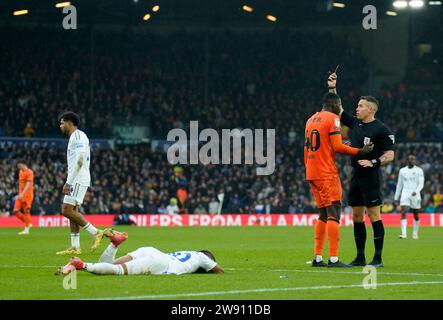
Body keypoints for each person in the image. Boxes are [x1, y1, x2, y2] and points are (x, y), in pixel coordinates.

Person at [329, 72, 395, 267]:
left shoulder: (382, 129)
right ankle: (360, 257)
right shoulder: (355, 123)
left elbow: (390, 155)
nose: (356, 108)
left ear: (370, 110)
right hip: (356, 176)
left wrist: (373, 162)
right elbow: (336, 108)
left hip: (371, 176)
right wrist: (332, 87)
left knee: (374, 215)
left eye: (360, 106)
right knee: (356, 216)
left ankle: (378, 258)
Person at [304, 92, 374, 268]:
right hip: (326, 172)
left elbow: (307, 149)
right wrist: (360, 151)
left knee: (323, 214)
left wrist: (309, 168)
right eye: (340, 106)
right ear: (335, 105)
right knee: (334, 211)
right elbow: (337, 146)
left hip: (311, 171)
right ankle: (333, 258)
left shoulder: (311, 119)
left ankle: (317, 257)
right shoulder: (333, 119)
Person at [57, 229, 224, 276]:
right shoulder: (201, 257)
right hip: (160, 263)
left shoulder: (189, 253)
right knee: (117, 271)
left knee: (108, 265)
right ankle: (80, 264)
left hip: (151, 251)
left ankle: (115, 244)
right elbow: (219, 270)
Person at [56, 111, 108, 255]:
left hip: (78, 178)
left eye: (62, 123)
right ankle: (75, 246)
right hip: (77, 177)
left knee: (66, 210)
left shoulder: (78, 136)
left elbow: (79, 161)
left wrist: (68, 182)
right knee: (72, 211)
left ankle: (96, 232)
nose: (60, 125)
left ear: (69, 122)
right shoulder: (76, 136)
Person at [394, 154, 424, 239]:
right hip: (405, 194)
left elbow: (421, 183)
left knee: (416, 214)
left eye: (414, 159)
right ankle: (404, 234)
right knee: (403, 213)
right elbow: (399, 185)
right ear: (407, 160)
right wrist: (396, 198)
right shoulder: (402, 171)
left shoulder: (419, 170)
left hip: (415, 194)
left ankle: (415, 233)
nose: (412, 161)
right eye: (411, 159)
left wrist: (416, 191)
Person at [13, 161, 34, 235]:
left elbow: (28, 184)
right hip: (20, 195)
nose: (19, 167)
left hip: (27, 195)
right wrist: (20, 194)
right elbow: (21, 184)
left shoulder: (29, 172)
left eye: (19, 166)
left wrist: (22, 194)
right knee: (15, 211)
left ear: (23, 164)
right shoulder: (20, 172)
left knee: (26, 211)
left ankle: (26, 230)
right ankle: (27, 223)